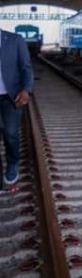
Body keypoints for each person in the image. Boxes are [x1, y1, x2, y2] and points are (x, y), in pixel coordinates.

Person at [0, 28, 33, 190]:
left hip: (11, 96)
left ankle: (13, 162)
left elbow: (26, 67)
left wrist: (26, 89)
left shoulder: (15, 40)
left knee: (10, 133)